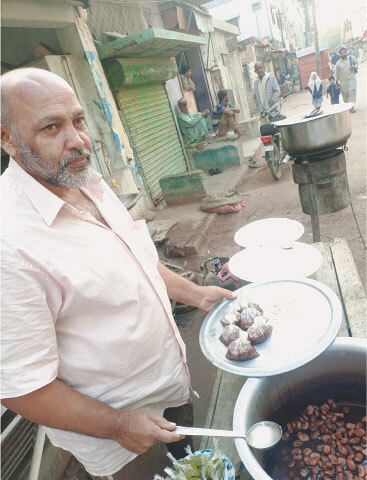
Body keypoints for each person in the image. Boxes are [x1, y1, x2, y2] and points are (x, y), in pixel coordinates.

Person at [0, 68, 235, 480]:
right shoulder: (10, 244)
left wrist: (196, 294)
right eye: (51, 127)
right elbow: (22, 387)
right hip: (124, 439)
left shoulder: (85, 179)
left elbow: (135, 258)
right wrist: (118, 424)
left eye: (77, 120)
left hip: (173, 388)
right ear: (6, 139)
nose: (76, 140)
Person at [335, 46, 358, 112]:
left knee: (352, 93)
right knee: (345, 95)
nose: (343, 54)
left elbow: (356, 64)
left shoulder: (351, 58)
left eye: (344, 52)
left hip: (351, 79)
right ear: (339, 54)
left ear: (346, 52)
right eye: (342, 53)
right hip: (343, 82)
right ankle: (348, 106)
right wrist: (336, 82)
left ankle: (351, 108)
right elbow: (336, 73)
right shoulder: (338, 64)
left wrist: (354, 67)